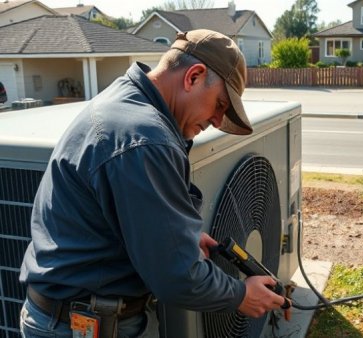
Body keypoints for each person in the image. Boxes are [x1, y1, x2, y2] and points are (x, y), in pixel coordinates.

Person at [19, 29, 286, 338]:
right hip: (81, 327)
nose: (216, 121)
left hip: (68, 316)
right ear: (194, 77)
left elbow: (116, 214)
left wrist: (174, 231)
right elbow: (177, 277)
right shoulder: (146, 140)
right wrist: (241, 295)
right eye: (220, 105)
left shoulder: (124, 102)